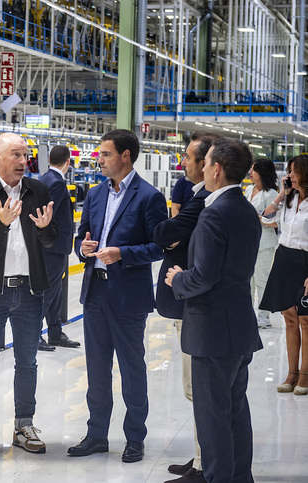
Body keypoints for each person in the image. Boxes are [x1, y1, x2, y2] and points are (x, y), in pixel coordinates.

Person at [166, 137, 262, 483]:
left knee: (211, 418)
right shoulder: (246, 210)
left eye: (205, 163)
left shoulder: (213, 214)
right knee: (236, 412)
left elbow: (204, 276)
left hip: (211, 334)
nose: (202, 169)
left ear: (217, 170)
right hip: (238, 328)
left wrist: (178, 280)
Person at [68, 129, 167, 463]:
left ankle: (135, 438)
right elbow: (83, 236)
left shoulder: (149, 196)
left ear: (126, 156)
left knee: (132, 369)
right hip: (95, 291)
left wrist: (123, 253)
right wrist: (82, 248)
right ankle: (96, 434)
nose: (100, 160)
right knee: (96, 370)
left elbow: (159, 247)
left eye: (106, 154)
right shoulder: (95, 195)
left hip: (127, 296)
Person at [0, 132, 55, 455]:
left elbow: (50, 241)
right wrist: (1, 223)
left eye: (25, 155)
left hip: (30, 291)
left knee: (27, 361)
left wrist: (46, 230)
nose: (23, 161)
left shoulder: (38, 190)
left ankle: (24, 424)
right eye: (16, 155)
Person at [153, 132, 219, 483]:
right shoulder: (198, 195)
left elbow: (167, 233)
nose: (184, 163)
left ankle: (205, 464)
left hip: (194, 303)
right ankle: (199, 458)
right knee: (194, 389)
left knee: (198, 389)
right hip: (189, 304)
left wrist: (162, 228)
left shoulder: (204, 199)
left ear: (209, 164)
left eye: (190, 158)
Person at [259, 155, 308, 395]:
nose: (289, 175)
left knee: (305, 320)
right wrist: (282, 194)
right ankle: (292, 373)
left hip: (305, 261)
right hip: (284, 259)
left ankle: (305, 374)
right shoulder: (289, 201)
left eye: (293, 171)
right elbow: (266, 217)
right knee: (289, 318)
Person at [37, 145, 80, 351]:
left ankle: (54, 332)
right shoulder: (57, 183)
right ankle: (35, 334)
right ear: (68, 162)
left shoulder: (45, 178)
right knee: (49, 290)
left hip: (53, 247)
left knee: (56, 291)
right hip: (53, 247)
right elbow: (46, 214)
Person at [244, 158, 279, 329]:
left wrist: (260, 220)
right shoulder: (249, 190)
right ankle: (247, 313)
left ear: (262, 173)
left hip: (264, 244)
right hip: (248, 242)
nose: (250, 173)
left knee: (262, 280)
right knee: (247, 280)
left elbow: (278, 222)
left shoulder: (271, 194)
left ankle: (263, 317)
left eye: (254, 170)